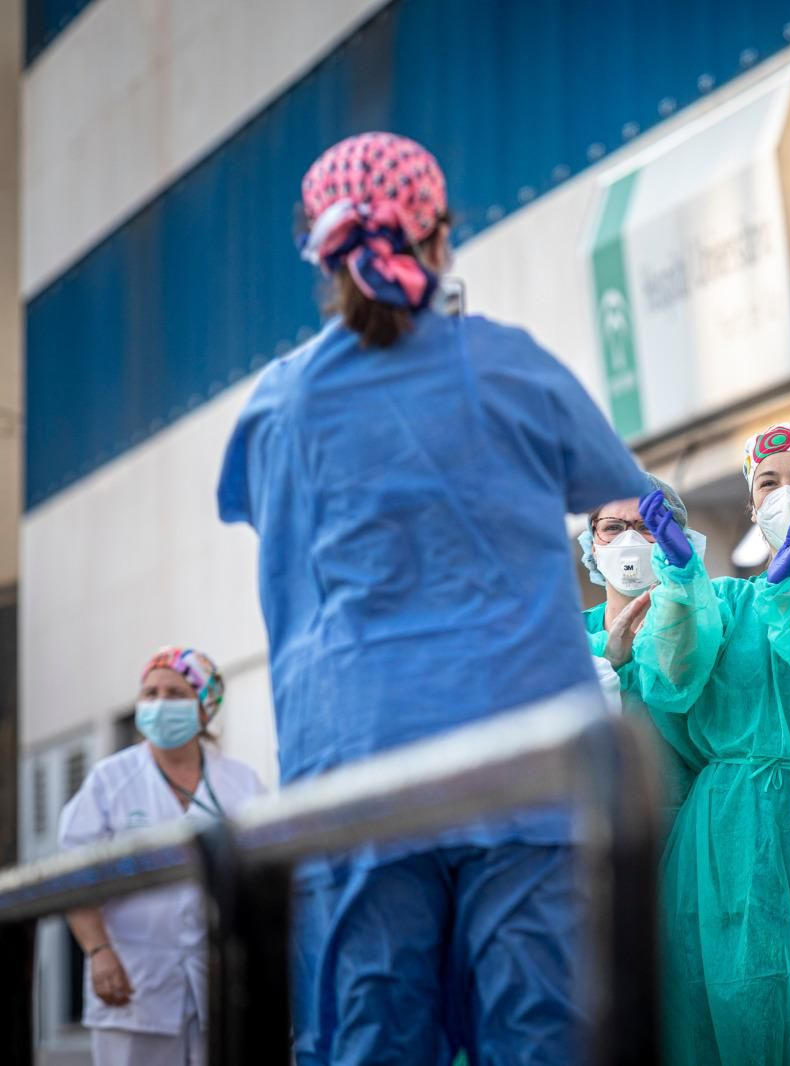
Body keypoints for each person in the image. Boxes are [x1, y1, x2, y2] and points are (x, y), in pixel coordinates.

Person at [216, 132, 646, 1065]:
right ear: (440, 235)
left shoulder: (279, 407)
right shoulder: (511, 370)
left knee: (373, 1038)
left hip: (357, 776)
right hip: (522, 763)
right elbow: (621, 489)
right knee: (538, 1038)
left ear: (319, 253)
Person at [629, 421, 790, 1065]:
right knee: (716, 1002)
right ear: (751, 502)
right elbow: (670, 679)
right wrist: (682, 582)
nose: (785, 494)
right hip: (721, 841)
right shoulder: (725, 601)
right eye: (768, 483)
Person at [60, 648, 266, 1066]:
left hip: (220, 983)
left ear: (204, 708)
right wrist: (98, 951)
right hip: (131, 980)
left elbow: (265, 877)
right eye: (150, 693)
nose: (159, 704)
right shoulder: (110, 780)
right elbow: (72, 875)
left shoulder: (241, 783)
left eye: (175, 694)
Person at [577, 473, 705, 821]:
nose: (629, 540)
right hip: (600, 826)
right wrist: (607, 659)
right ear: (592, 544)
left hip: (688, 827)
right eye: (613, 528)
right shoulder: (569, 637)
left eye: (647, 527)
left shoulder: (707, 627)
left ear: (676, 540)